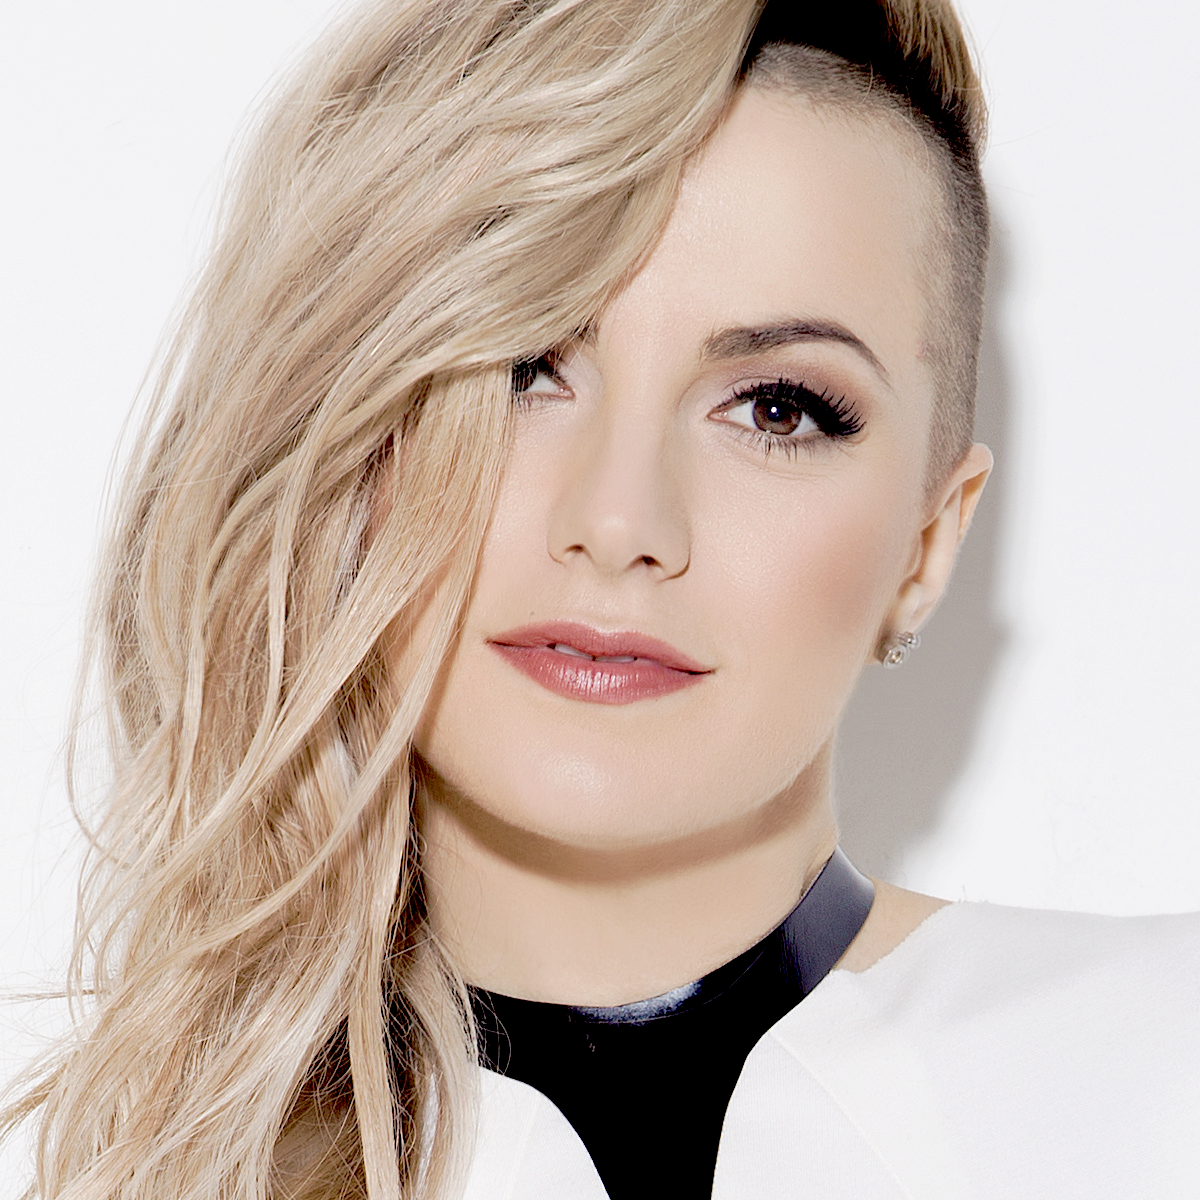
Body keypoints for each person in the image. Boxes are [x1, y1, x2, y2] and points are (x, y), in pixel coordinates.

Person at [4, 1, 1197, 1198]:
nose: (621, 523)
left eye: (777, 409)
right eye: (523, 365)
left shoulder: (1162, 1069)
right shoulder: (107, 1169)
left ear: (928, 547)